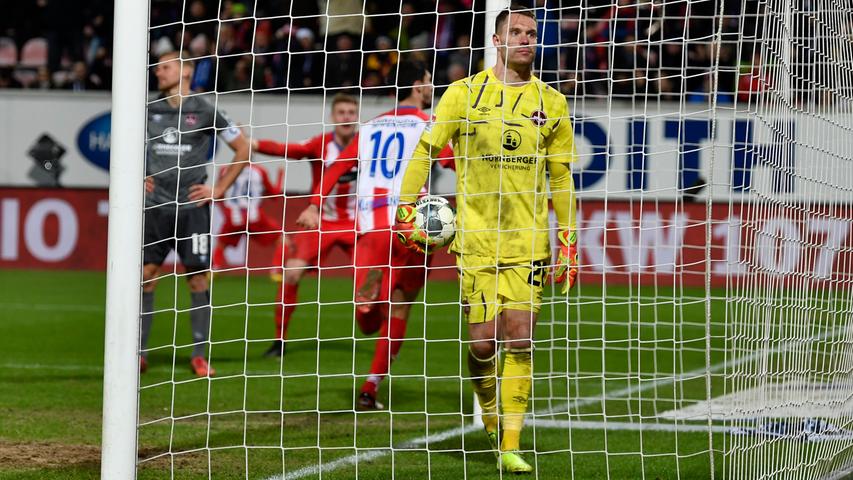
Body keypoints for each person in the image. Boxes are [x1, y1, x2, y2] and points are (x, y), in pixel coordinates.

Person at [395, 6, 579, 473]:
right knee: (482, 345)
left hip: (530, 241)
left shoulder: (552, 103)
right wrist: (404, 207)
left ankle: (510, 444)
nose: (524, 39)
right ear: (497, 40)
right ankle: (493, 416)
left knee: (520, 339)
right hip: (476, 239)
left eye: (531, 33)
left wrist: (569, 238)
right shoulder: (464, 94)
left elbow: (560, 178)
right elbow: (425, 151)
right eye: (515, 32)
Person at [298, 60, 453, 410]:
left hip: (370, 227)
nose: (432, 90)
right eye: (430, 82)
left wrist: (313, 204)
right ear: (417, 85)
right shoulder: (429, 122)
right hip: (412, 228)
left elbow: (337, 167)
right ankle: (371, 386)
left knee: (368, 319)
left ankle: (369, 308)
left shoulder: (368, 127)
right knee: (401, 306)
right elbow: (452, 163)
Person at [141, 51, 250, 377]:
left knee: (197, 278)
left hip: (193, 210)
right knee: (145, 277)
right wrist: (138, 173)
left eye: (165, 67)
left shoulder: (205, 109)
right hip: (155, 207)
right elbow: (127, 146)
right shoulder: (149, 110)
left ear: (186, 71)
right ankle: (140, 353)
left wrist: (219, 189)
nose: (159, 73)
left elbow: (244, 148)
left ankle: (199, 355)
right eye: (158, 68)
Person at [251, 93, 359, 357]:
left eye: (351, 112)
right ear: (333, 117)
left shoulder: (367, 144)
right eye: (341, 112)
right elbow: (288, 150)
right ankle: (279, 341)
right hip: (320, 222)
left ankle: (386, 339)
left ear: (356, 117)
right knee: (291, 272)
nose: (346, 117)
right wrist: (252, 143)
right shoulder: (321, 144)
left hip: (357, 223)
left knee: (375, 280)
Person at [211, 162, 284, 273]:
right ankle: (276, 269)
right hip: (255, 217)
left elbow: (218, 194)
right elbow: (274, 194)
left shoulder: (225, 170)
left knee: (221, 244)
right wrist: (280, 175)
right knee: (281, 240)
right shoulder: (260, 170)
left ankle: (213, 270)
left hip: (233, 217)